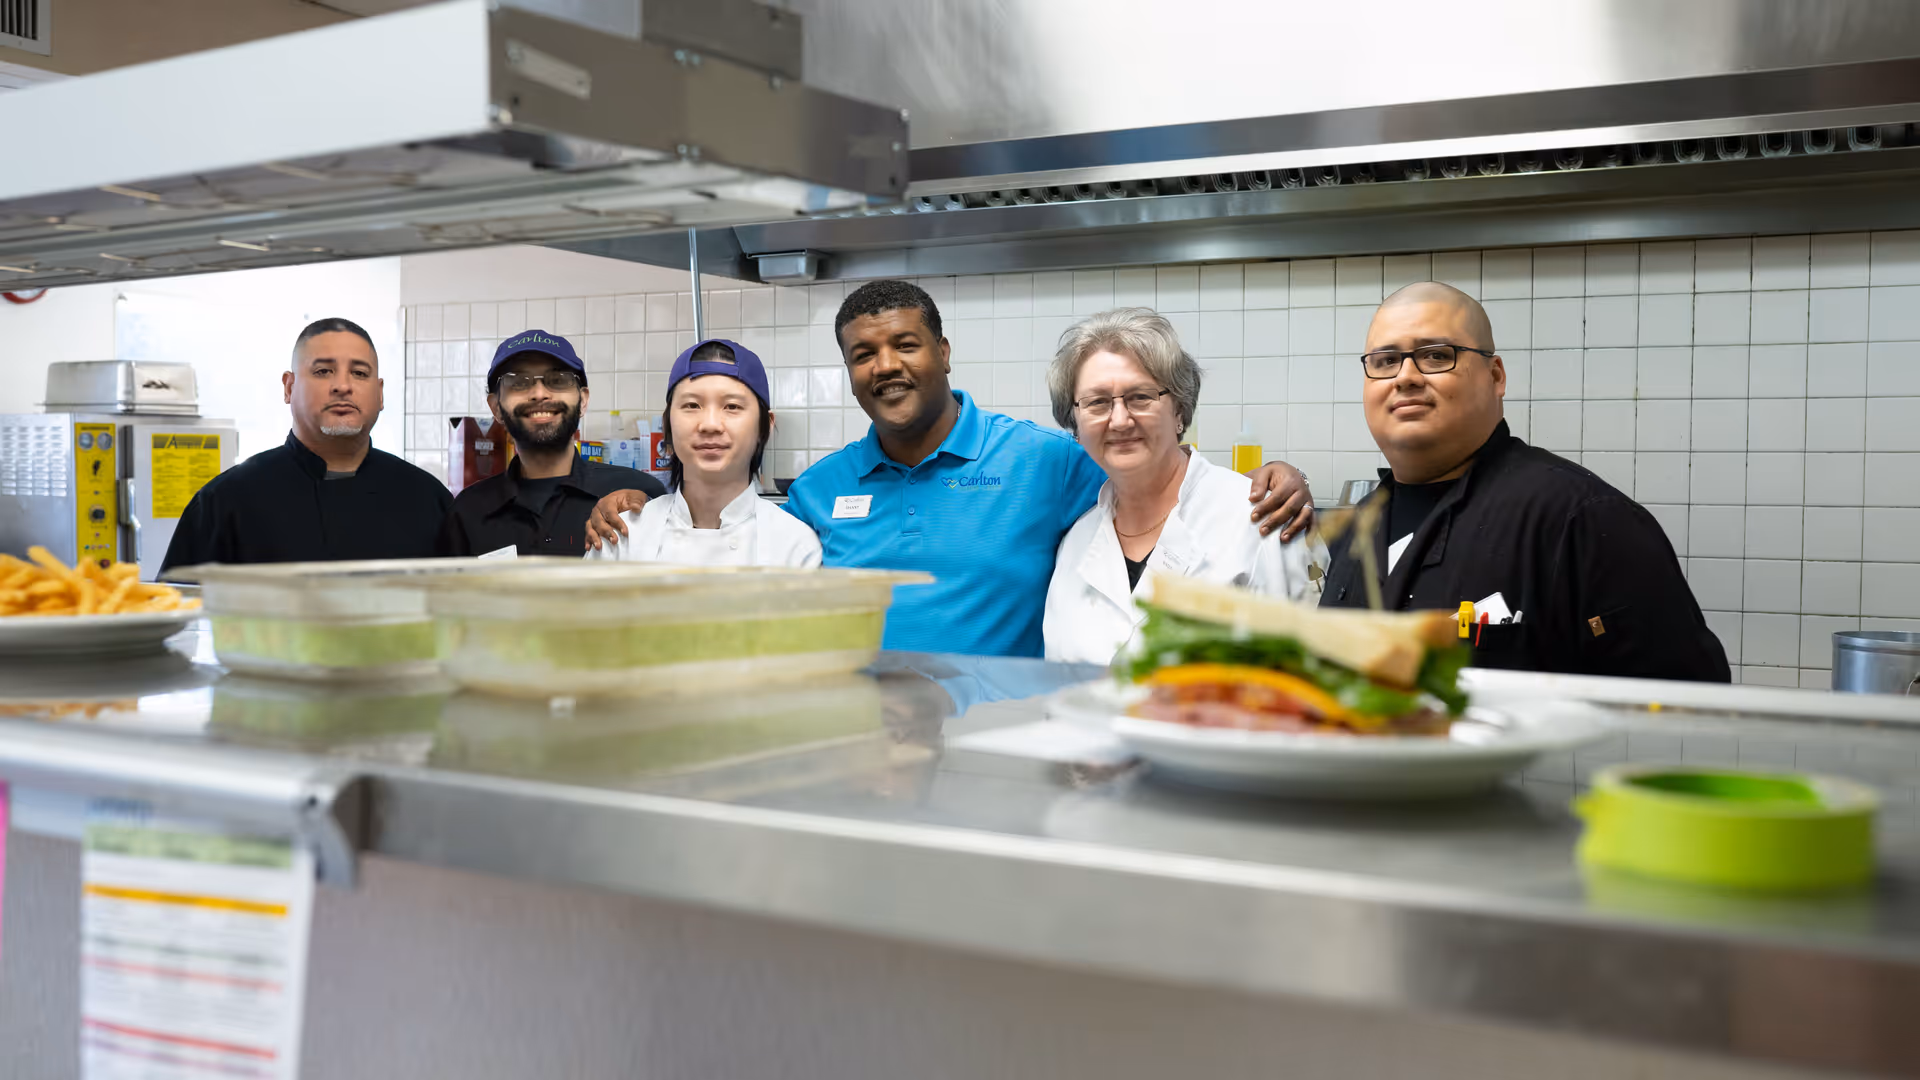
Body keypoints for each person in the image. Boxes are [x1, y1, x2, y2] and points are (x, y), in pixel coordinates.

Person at [584, 280, 1315, 658]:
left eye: (905, 344)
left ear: (943, 351)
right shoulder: (818, 491)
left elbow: (1148, 467)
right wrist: (633, 495)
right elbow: (728, 534)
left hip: (1009, 751)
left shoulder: (1043, 460)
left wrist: (1276, 475)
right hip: (875, 756)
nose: (886, 366)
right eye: (863, 354)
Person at [1320, 281, 1730, 682]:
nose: (1405, 376)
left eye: (1435, 355)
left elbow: (1683, 716)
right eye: (1385, 360)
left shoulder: (1582, 520)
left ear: (1495, 376)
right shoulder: (1356, 528)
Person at [1041, 308, 1318, 665]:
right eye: (1097, 403)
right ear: (1076, 425)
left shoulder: (1259, 519)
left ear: (1180, 413)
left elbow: (1314, 672)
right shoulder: (1076, 544)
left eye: (1141, 397)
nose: (1121, 420)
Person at [160, 318, 449, 574]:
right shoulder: (225, 502)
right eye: (324, 371)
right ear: (289, 387)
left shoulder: (428, 499)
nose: (343, 386)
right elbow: (179, 620)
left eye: (360, 373)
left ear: (380, 394)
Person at [587, 338, 819, 567]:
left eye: (732, 406)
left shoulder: (795, 547)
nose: (710, 424)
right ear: (668, 424)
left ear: (764, 426)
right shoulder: (620, 536)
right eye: (692, 405)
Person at [438, 330, 664, 557]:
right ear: (496, 407)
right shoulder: (466, 513)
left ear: (583, 401)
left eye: (557, 380)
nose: (539, 393)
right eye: (518, 382)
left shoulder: (638, 494)